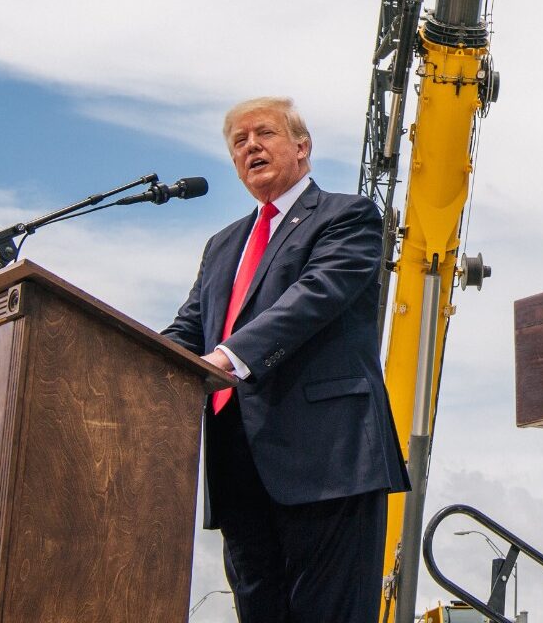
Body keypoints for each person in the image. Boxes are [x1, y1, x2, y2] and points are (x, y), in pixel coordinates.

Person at [164, 96, 410, 623]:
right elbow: (190, 328)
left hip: (327, 461)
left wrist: (230, 357)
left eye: (264, 134)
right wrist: (129, 362)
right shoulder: (222, 245)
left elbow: (314, 296)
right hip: (239, 466)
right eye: (238, 141)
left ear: (302, 148)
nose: (250, 146)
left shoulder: (350, 216)